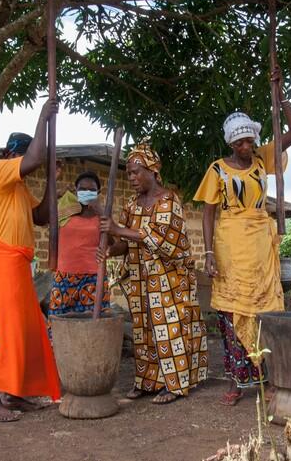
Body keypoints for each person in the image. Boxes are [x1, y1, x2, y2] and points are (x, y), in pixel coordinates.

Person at [192, 69, 291, 406]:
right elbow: (208, 212)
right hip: (229, 244)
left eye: (249, 141)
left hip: (259, 244)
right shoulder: (217, 169)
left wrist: (281, 97)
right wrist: (208, 254)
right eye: (239, 142)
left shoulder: (261, 160)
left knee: (264, 312)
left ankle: (267, 378)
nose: (245, 146)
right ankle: (236, 382)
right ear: (230, 143)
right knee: (231, 313)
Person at [0, 99, 62, 422]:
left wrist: (53, 181)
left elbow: (42, 216)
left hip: (15, 264)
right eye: (23, 157)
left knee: (24, 327)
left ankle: (16, 392)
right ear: (13, 156)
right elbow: (35, 158)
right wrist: (43, 118)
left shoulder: (18, 189)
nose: (26, 163)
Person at [99, 142, 208, 404]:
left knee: (168, 329)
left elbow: (164, 240)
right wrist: (110, 250)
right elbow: (127, 241)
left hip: (169, 280)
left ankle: (175, 384)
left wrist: (117, 229)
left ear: (153, 171)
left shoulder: (169, 201)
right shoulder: (132, 205)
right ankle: (148, 381)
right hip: (140, 280)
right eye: (129, 175)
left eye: (137, 172)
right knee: (143, 329)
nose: (133, 178)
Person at [47, 171, 110, 316]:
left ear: (98, 192)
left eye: (92, 190)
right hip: (64, 278)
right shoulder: (65, 211)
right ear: (76, 191)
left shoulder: (102, 216)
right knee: (59, 324)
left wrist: (101, 213)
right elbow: (47, 223)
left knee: (92, 328)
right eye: (82, 189)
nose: (87, 192)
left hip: (94, 278)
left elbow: (111, 240)